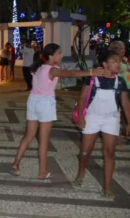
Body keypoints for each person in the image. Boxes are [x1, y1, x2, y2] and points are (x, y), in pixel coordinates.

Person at [11, 43, 104, 179]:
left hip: (33, 101)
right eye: (59, 53)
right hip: (45, 103)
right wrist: (91, 72)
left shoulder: (38, 67)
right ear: (51, 56)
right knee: (43, 140)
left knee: (29, 135)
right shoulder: (52, 69)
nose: (61, 55)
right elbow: (69, 73)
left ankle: (16, 163)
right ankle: (42, 172)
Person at [75, 50, 130, 198]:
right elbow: (82, 98)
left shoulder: (120, 81)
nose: (118, 64)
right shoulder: (92, 79)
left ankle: (107, 187)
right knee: (85, 151)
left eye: (119, 61)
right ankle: (81, 172)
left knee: (110, 153)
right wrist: (80, 117)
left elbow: (125, 102)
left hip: (111, 119)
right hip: (92, 117)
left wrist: (129, 122)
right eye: (114, 61)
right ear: (105, 64)